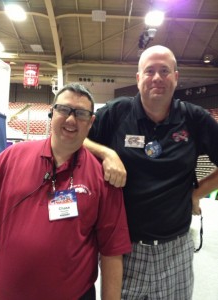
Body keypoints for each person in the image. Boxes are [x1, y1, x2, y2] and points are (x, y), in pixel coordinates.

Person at [85, 45, 218, 299]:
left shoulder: (194, 118)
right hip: (123, 250)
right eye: (149, 71)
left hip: (175, 251)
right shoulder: (117, 112)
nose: (157, 77)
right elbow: (77, 139)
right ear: (138, 79)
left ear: (176, 77)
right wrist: (107, 153)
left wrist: (197, 193)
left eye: (165, 71)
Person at [0, 83, 131, 300]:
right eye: (64, 110)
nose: (70, 120)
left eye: (81, 114)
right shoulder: (10, 158)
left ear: (91, 122)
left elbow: (112, 251)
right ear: (52, 112)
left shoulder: (104, 178)